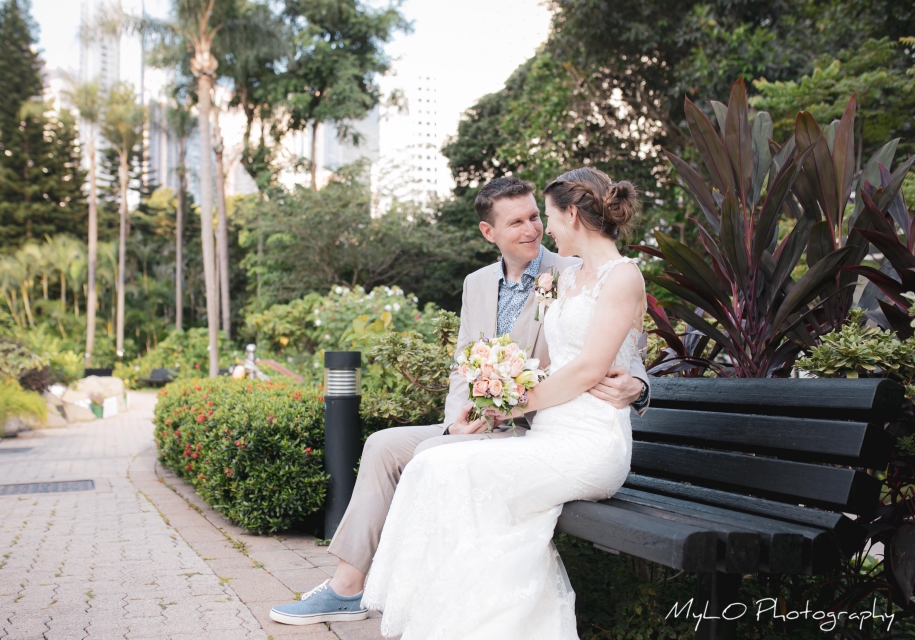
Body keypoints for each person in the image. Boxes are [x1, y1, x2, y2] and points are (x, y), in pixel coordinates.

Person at [269, 174, 650, 627]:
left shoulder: (572, 270)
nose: (534, 229)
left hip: (535, 425)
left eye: (537, 216)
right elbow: (463, 366)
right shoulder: (478, 284)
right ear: (489, 232)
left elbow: (623, 351)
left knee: (433, 460)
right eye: (519, 222)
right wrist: (455, 424)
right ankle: (346, 588)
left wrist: (640, 387)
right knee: (383, 446)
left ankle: (433, 604)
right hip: (486, 422)